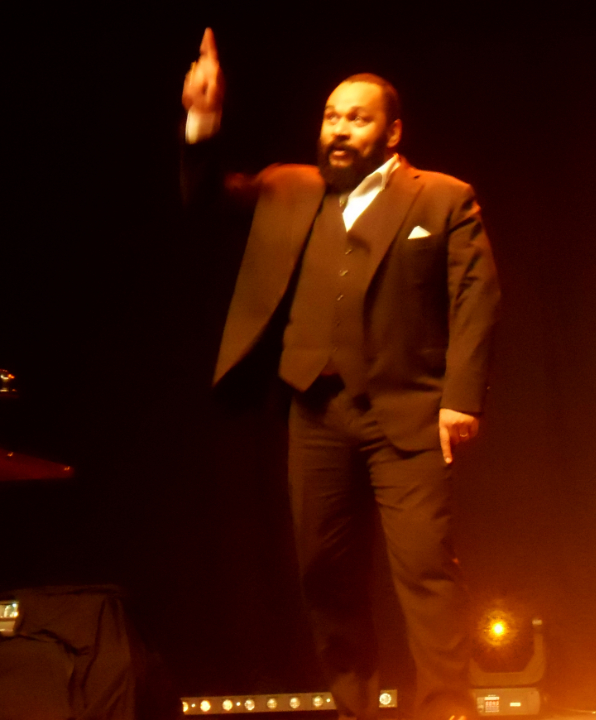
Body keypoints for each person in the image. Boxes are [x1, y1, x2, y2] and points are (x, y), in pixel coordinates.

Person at [180, 29, 500, 720]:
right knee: (324, 574)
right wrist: (202, 119)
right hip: (316, 411)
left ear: (392, 131)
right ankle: (357, 705)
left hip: (408, 413)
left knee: (423, 569)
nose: (340, 129)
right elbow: (206, 197)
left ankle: (446, 708)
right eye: (331, 116)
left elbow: (477, 299)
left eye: (357, 117)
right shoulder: (290, 189)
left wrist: (459, 399)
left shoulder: (442, 199)